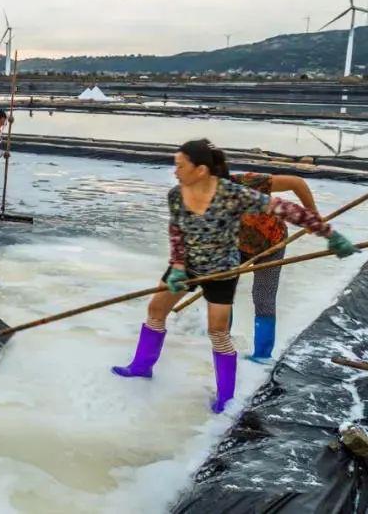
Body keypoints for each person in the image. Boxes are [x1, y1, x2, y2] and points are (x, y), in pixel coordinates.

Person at [112, 139, 354, 413]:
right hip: (190, 262)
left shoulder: (234, 192)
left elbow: (286, 209)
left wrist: (327, 232)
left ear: (201, 169)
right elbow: (177, 231)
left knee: (219, 330)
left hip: (223, 268)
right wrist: (178, 266)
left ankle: (226, 396)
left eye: (180, 165)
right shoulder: (177, 194)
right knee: (156, 309)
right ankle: (142, 366)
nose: (175, 171)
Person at [229, 171, 320, 363]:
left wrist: (312, 215)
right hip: (233, 245)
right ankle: (221, 341)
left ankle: (262, 356)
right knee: (222, 292)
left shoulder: (247, 182)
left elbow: (296, 182)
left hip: (272, 244)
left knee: (263, 297)